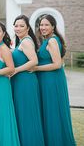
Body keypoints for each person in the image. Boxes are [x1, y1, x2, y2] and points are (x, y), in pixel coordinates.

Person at [31, 14, 76, 146]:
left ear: (53, 26)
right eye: (41, 25)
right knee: (50, 111)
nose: (43, 27)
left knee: (53, 111)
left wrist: (36, 68)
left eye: (46, 25)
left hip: (52, 80)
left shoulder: (52, 41)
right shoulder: (47, 40)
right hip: (47, 79)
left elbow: (57, 64)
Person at [10, 15, 44, 146]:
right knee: (23, 113)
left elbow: (34, 61)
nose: (18, 28)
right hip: (20, 81)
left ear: (28, 28)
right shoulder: (21, 41)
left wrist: (16, 70)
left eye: (21, 26)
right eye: (16, 25)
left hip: (25, 82)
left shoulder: (26, 41)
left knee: (27, 114)